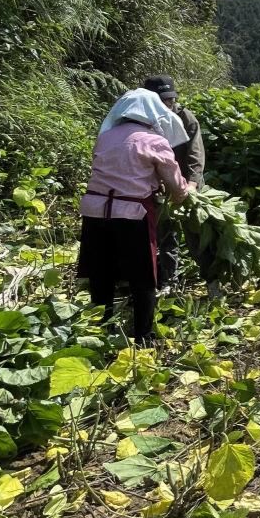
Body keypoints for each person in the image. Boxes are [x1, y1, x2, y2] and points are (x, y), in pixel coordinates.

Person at [78, 89, 192, 342]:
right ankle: (143, 336)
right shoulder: (154, 141)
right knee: (143, 277)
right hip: (132, 215)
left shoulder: (106, 137)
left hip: (95, 212)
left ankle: (102, 331)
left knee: (101, 272)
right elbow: (176, 185)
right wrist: (183, 193)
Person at [142, 74, 206, 292]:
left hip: (187, 181)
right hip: (160, 184)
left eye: (171, 99)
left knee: (196, 232)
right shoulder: (143, 120)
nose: (168, 103)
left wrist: (192, 184)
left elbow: (195, 154)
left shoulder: (185, 117)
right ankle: (170, 281)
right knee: (166, 234)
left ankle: (211, 280)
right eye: (163, 100)